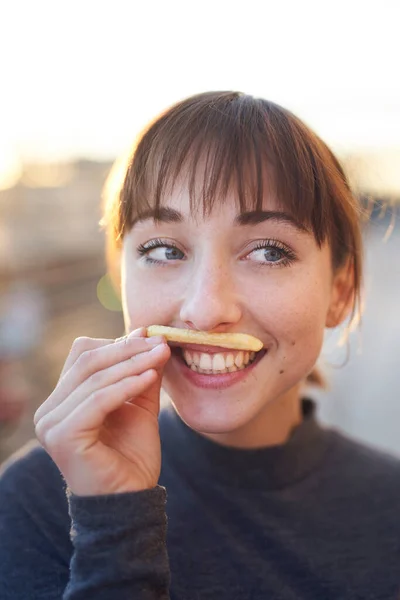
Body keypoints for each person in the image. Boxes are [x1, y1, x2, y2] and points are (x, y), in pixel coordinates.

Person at [0, 91, 399, 600]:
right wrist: (113, 523)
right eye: (164, 250)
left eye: (269, 252)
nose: (207, 309)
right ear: (123, 282)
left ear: (339, 292)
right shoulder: (33, 502)